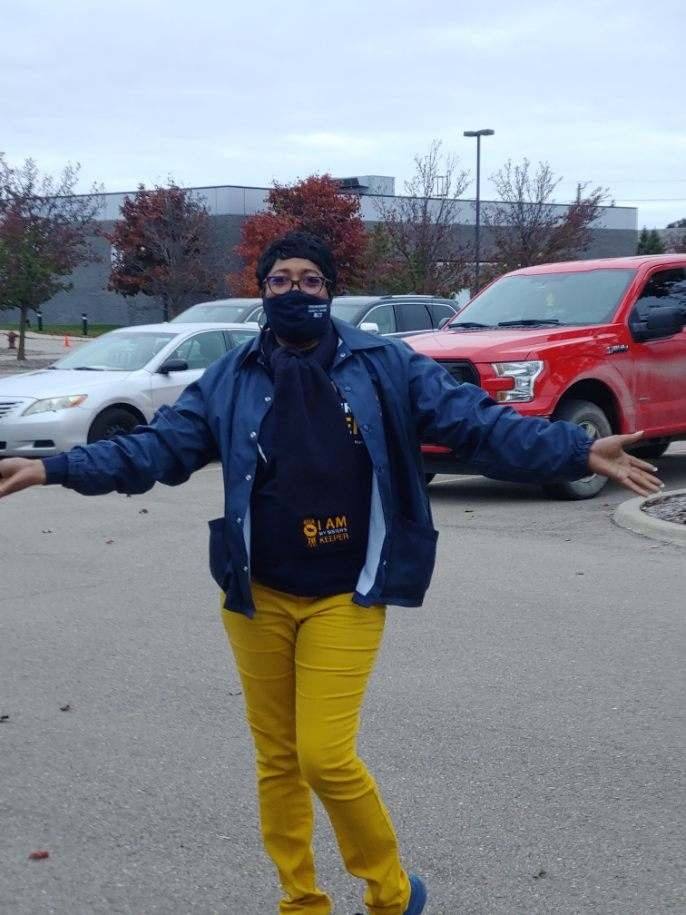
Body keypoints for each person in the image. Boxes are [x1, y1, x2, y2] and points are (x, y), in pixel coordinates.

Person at [0, 231, 662, 915]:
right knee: (278, 760)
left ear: (330, 291)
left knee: (323, 755)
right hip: (255, 593)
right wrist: (55, 466)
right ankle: (300, 900)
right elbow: (160, 446)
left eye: (310, 280)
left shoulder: (385, 364)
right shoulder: (231, 377)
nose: (295, 291)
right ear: (263, 290)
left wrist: (575, 449)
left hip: (347, 588)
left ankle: (391, 893)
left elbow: (477, 424)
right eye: (280, 279)